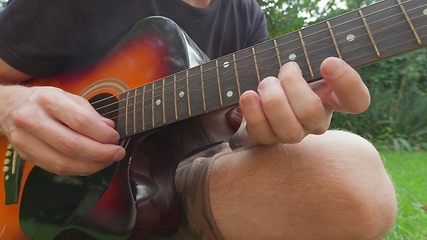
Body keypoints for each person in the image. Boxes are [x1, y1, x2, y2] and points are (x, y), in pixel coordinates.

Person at [0, 0, 397, 239]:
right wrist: (11, 105)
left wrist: (266, 130)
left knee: (350, 180)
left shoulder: (247, 15)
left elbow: (233, 137)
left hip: (170, 183)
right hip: (28, 195)